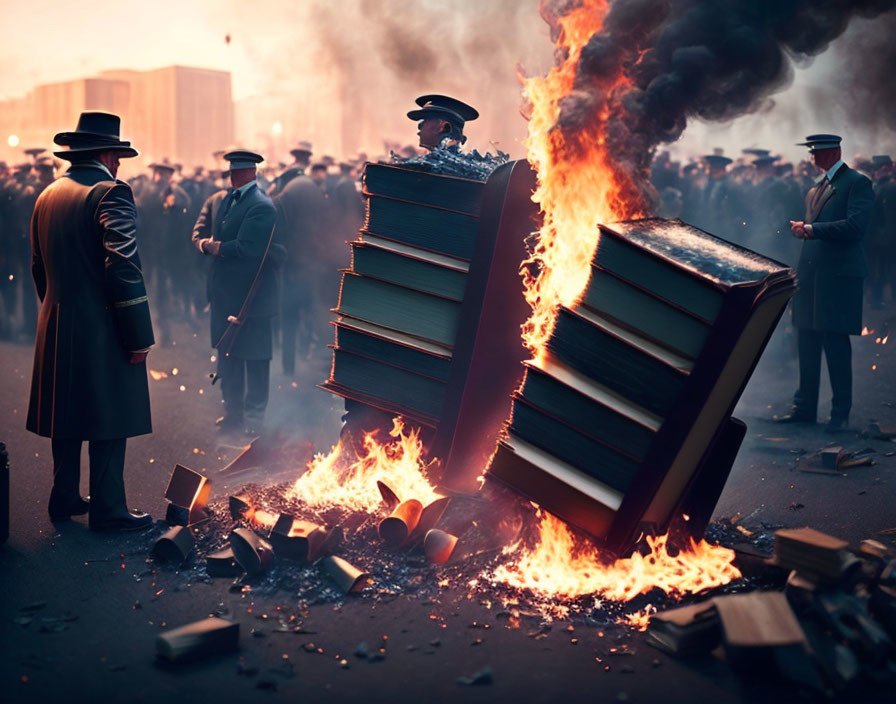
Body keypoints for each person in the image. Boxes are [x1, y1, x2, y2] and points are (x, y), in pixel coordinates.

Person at [27, 111, 154, 531]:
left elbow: (37, 267)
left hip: (57, 320)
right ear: (105, 153)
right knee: (108, 416)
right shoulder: (111, 192)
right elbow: (122, 266)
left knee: (66, 413)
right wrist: (137, 336)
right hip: (101, 326)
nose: (119, 164)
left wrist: (56, 309)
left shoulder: (47, 194)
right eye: (117, 155)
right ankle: (108, 509)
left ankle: (63, 496)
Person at [777, 134, 874, 433]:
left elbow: (855, 227)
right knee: (806, 341)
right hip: (811, 279)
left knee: (835, 345)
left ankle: (839, 413)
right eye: (812, 152)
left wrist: (811, 229)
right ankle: (804, 407)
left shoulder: (857, 183)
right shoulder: (814, 190)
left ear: (835, 153)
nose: (813, 157)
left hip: (838, 278)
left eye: (818, 152)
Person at [193, 149, 283, 435]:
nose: (234, 174)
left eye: (240, 171)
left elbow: (248, 250)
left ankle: (254, 421)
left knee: (255, 360)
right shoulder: (227, 200)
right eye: (232, 170)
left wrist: (214, 247)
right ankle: (233, 414)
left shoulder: (261, 205)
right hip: (226, 294)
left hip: (252, 298)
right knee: (228, 356)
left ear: (253, 173)